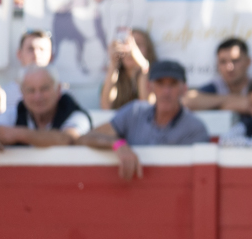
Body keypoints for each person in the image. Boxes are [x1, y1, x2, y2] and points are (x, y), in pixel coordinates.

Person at [77, 59, 210, 180]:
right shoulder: (134, 112)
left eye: (172, 84)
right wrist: (118, 145)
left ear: (184, 89)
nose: (166, 91)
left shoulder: (195, 128)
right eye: (160, 83)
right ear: (149, 87)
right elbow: (86, 137)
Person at [0, 67, 90, 160]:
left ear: (58, 90)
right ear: (22, 92)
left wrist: (18, 134)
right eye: (31, 90)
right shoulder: (14, 113)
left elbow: (68, 138)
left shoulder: (76, 114)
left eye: (44, 89)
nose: (38, 97)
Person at [0, 29, 54, 122]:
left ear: (51, 56)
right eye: (30, 49)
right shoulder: (4, 94)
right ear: (19, 54)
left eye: (42, 49)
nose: (36, 54)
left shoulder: (62, 94)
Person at [185, 37, 252, 113]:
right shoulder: (215, 86)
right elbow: (187, 101)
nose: (229, 68)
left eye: (235, 61)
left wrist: (215, 105)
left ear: (248, 62)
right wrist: (229, 101)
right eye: (223, 62)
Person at [99, 28, 155, 109]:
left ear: (148, 50)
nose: (131, 50)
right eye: (126, 44)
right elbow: (105, 107)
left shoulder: (157, 77)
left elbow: (147, 109)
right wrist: (113, 63)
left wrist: (143, 66)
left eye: (137, 44)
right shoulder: (113, 79)